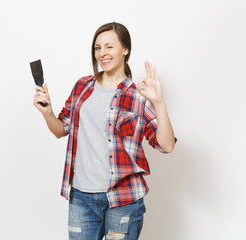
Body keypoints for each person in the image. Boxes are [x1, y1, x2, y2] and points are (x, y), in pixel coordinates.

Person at [33, 22, 176, 240]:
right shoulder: (82, 86)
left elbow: (166, 145)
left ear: (125, 49)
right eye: (97, 48)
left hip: (124, 199)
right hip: (81, 197)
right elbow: (61, 129)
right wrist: (47, 113)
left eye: (109, 46)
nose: (102, 53)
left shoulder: (138, 95)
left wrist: (159, 103)